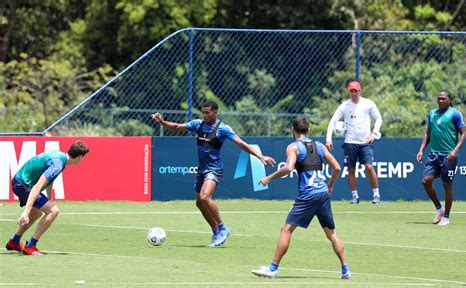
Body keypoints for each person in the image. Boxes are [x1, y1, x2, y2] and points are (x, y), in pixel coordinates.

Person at [152, 100, 275, 247]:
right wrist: (162, 122)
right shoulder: (198, 124)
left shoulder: (223, 129)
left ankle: (223, 228)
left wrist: (260, 156)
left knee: (205, 197)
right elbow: (178, 127)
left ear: (215, 112)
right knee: (199, 203)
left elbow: (241, 143)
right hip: (202, 169)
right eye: (203, 112)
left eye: (207, 112)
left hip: (214, 168)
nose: (204, 115)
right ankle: (216, 231)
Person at [251, 116, 351, 279]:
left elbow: (289, 168)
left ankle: (272, 269)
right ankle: (346, 270)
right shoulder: (319, 146)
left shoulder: (294, 147)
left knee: (286, 230)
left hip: (308, 195)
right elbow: (337, 167)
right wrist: (330, 185)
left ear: (293, 130)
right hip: (323, 194)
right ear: (309, 131)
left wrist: (269, 178)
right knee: (332, 234)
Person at [5, 140, 89, 255]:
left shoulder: (60, 157)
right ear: (80, 157)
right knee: (54, 211)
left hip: (20, 181)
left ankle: (14, 241)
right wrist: (26, 212)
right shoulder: (58, 164)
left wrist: (49, 200)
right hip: (23, 184)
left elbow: (50, 181)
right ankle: (31, 246)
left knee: (37, 213)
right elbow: (37, 186)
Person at [325, 80, 383, 204]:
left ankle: (376, 195)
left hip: (365, 142)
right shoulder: (344, 106)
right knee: (351, 170)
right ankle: (355, 196)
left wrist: (374, 133)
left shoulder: (368, 103)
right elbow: (333, 121)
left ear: (359, 91)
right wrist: (328, 139)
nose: (353, 93)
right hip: (350, 142)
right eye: (351, 91)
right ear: (348, 91)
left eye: (355, 91)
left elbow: (378, 118)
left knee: (369, 167)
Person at [416, 89, 466, 226]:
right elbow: (428, 133)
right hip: (434, 154)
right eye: (439, 98)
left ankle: (446, 217)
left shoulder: (455, 114)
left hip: (448, 156)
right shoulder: (432, 113)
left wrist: (454, 151)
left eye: (443, 98)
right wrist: (421, 150)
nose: (440, 100)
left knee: (447, 184)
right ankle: (439, 208)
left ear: (449, 100)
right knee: (426, 181)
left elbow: (464, 133)